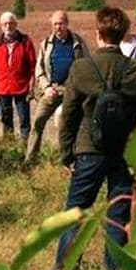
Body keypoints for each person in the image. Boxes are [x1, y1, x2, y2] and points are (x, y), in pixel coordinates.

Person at [39, 6, 136, 270]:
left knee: (76, 210)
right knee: (119, 213)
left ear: (98, 34)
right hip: (125, 152)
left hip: (89, 148)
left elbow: (70, 113)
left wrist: (67, 153)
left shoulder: (82, 68)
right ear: (123, 34)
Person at [26, 11, 89, 163]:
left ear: (67, 24)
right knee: (37, 122)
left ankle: (68, 159)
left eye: (60, 24)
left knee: (69, 125)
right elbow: (39, 69)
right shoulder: (46, 43)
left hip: (72, 91)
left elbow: (87, 66)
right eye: (54, 24)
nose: (58, 27)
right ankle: (30, 159)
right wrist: (46, 87)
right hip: (51, 90)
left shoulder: (78, 43)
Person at [0, 11, 38, 142]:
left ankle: (24, 149)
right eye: (5, 24)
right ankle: (9, 149)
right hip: (2, 88)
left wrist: (31, 88)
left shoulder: (25, 41)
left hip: (22, 87)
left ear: (16, 24)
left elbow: (33, 67)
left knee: (24, 121)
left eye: (11, 23)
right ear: (1, 26)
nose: (8, 26)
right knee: (6, 121)